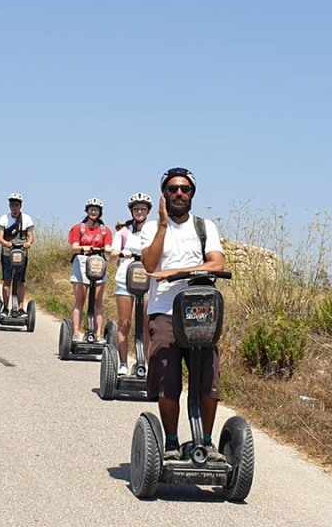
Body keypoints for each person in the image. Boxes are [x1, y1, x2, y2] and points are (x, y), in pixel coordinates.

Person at [141, 167, 227, 462]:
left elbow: (216, 263)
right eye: (173, 189)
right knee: (168, 380)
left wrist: (180, 271)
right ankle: (172, 442)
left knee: (208, 378)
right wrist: (164, 226)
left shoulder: (205, 227)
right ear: (164, 195)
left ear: (192, 194)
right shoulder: (152, 229)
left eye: (185, 189)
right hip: (165, 311)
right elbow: (150, 265)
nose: (179, 193)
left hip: (200, 311)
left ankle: (206, 442)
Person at [110, 192, 153, 376]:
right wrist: (121, 253)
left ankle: (147, 365)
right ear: (131, 211)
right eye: (136, 209)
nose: (140, 212)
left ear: (148, 211)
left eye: (143, 209)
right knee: (125, 323)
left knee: (147, 325)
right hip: (125, 280)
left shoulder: (153, 230)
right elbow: (111, 254)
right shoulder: (123, 232)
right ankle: (123, 364)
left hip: (147, 282)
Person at [68, 198, 112, 342]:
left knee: (97, 302)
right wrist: (83, 248)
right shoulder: (78, 228)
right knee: (79, 300)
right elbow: (74, 247)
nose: (94, 212)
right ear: (87, 211)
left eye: (97, 210)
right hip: (81, 262)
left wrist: (108, 250)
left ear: (100, 213)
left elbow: (108, 249)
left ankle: (98, 334)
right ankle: (75, 333)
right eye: (91, 209)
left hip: (98, 263)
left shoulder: (105, 230)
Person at [0, 192, 35, 317]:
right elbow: (0, 238)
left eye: (16, 205)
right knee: (7, 280)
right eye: (12, 205)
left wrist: (28, 243)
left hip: (22, 253)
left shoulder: (27, 219)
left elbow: (31, 236)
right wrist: (6, 243)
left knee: (20, 281)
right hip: (7, 253)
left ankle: (20, 308)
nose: (14, 207)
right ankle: (6, 308)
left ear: (20, 206)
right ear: (9, 206)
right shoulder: (4, 218)